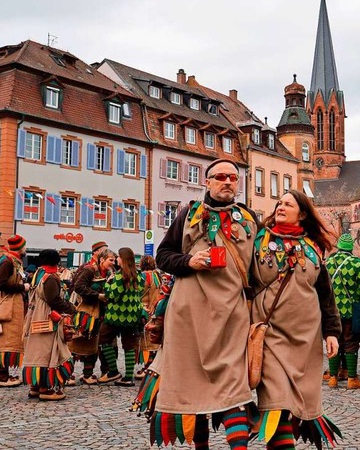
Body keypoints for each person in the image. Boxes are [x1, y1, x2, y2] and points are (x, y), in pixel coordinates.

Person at [142, 159, 259, 449]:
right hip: (188, 317)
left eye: (233, 177)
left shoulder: (249, 218)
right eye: (220, 177)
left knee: (233, 389)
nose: (228, 182)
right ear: (207, 182)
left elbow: (260, 269)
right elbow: (163, 255)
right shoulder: (189, 215)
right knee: (194, 389)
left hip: (232, 316)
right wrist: (189, 261)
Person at [251, 190, 341, 449]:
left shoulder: (313, 247)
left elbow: (326, 295)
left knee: (294, 407)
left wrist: (331, 332)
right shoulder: (259, 240)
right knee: (276, 403)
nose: (280, 206)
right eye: (278, 203)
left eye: (287, 204)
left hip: (305, 340)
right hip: (269, 335)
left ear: (301, 214)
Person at [22, 249, 76, 401]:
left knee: (37, 351)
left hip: (36, 315)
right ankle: (46, 388)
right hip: (48, 318)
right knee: (49, 352)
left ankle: (35, 386)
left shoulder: (38, 274)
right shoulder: (50, 277)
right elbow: (54, 300)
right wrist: (71, 308)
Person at [324, 233, 360, 389]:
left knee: (334, 341)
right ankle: (352, 378)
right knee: (350, 342)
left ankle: (333, 378)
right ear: (351, 249)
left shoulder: (328, 263)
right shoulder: (356, 264)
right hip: (350, 310)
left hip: (331, 310)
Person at [68, 248, 116, 385]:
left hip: (100, 313)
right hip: (86, 311)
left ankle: (87, 374)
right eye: (110, 260)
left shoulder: (110, 273)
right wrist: (97, 295)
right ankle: (68, 374)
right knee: (75, 343)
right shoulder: (89, 270)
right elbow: (79, 287)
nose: (112, 263)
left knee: (93, 345)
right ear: (102, 259)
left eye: (113, 260)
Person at [0, 235, 30, 387]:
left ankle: (3, 374)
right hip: (6, 305)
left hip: (11, 303)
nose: (26, 249)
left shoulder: (12, 260)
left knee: (8, 338)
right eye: (24, 246)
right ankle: (0, 377)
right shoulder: (7, 262)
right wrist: (22, 287)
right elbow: (0, 284)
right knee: (3, 338)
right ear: (20, 247)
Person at [98, 247, 144, 386]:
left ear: (123, 259)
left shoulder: (119, 276)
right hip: (132, 315)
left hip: (116, 315)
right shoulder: (139, 275)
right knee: (129, 345)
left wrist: (107, 284)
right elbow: (140, 292)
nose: (116, 259)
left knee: (104, 340)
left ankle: (113, 370)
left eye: (118, 257)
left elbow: (112, 296)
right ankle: (128, 378)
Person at [135, 255, 162, 379]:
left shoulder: (142, 276)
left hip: (144, 310)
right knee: (154, 340)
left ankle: (147, 367)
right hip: (155, 309)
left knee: (145, 341)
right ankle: (150, 365)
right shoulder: (157, 276)